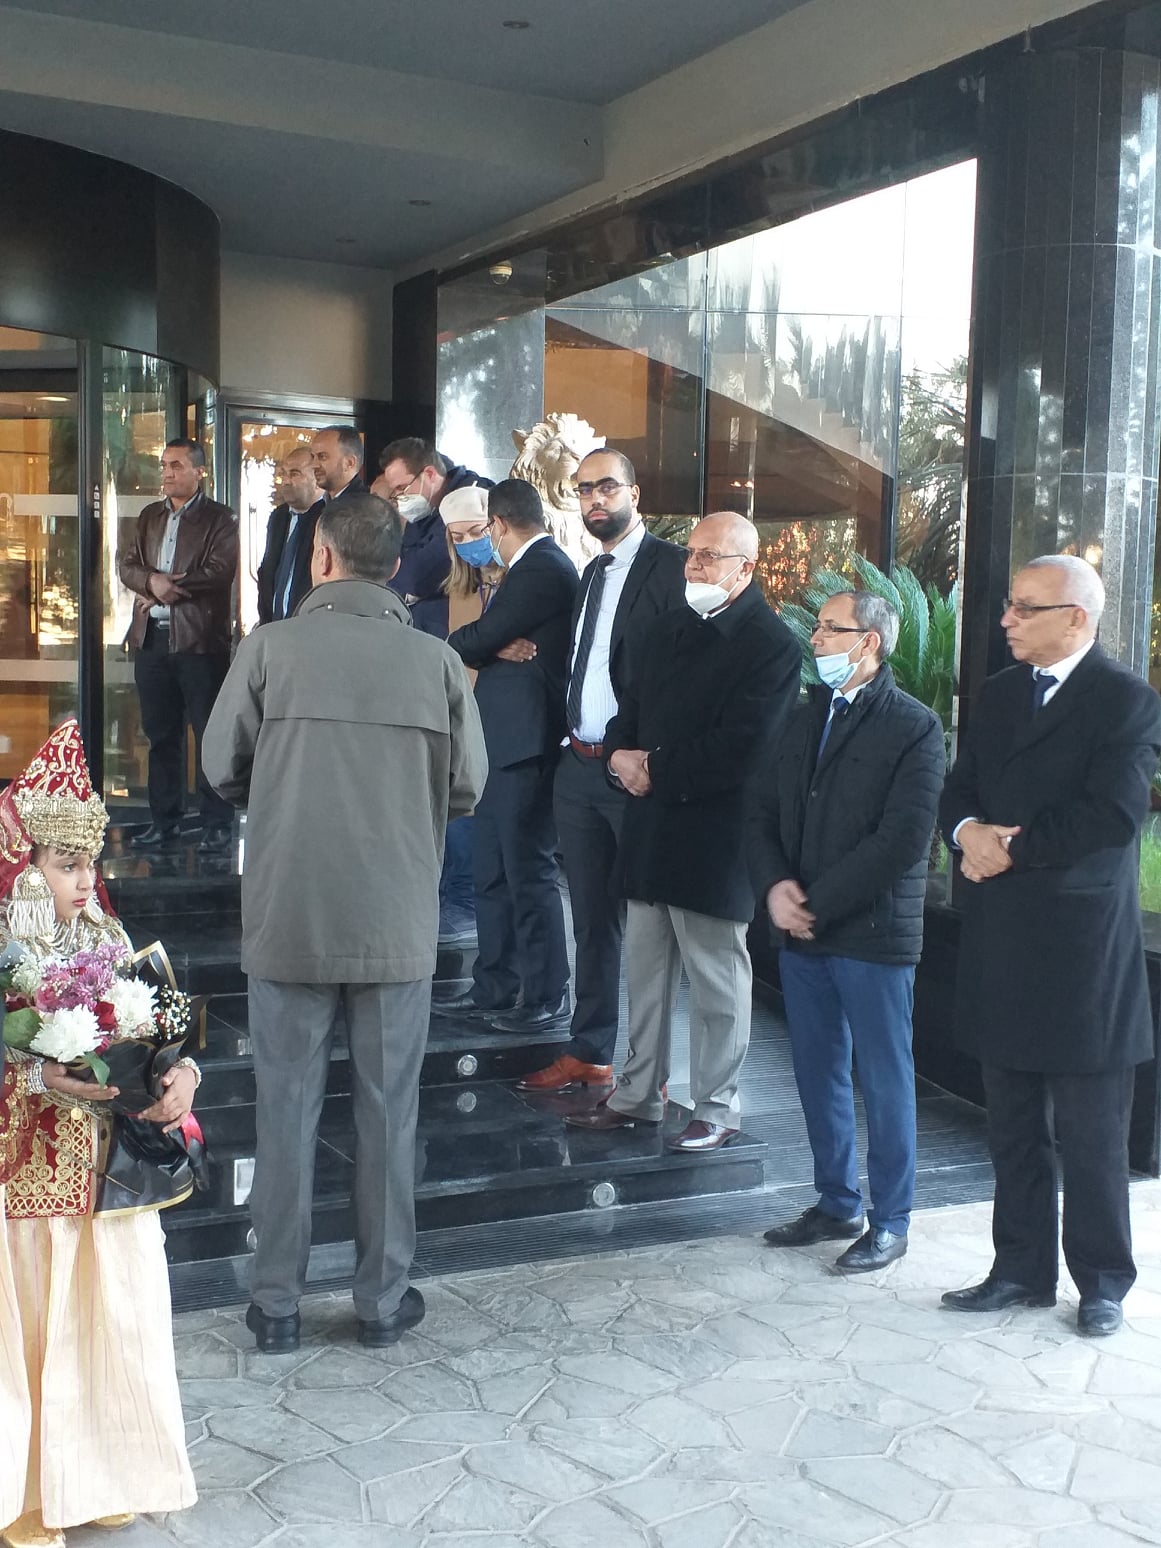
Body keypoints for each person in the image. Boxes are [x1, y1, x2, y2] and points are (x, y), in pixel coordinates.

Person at [203, 493, 486, 1353]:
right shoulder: (436, 661)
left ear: (320, 557)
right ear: (395, 567)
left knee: (284, 1110)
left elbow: (221, 767)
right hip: (395, 921)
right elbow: (467, 786)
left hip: (290, 914)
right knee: (388, 1115)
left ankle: (276, 1306)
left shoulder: (270, 648)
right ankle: (380, 1303)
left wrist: (284, 791)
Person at [938, 555, 1161, 1336]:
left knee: (1092, 1131)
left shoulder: (1124, 700)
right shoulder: (1001, 694)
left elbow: (1112, 816)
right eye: (1008, 604)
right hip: (1001, 937)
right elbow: (957, 786)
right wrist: (965, 833)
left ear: (1075, 618)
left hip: (1080, 951)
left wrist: (1006, 850)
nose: (1006, 619)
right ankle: (1018, 1269)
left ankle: (1101, 1282)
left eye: (1024, 608)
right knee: (1010, 1123)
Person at [0, 720, 198, 1547]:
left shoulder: (108, 939)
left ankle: (97, 1476)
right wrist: (36, 1076)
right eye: (66, 862)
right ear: (25, 863)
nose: (87, 879)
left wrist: (183, 1076)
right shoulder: (6, 948)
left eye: (91, 861)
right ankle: (23, 1494)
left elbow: (163, 1039)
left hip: (105, 1180)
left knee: (107, 1321)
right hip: (23, 1186)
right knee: (31, 1326)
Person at [567, 513, 800, 1151]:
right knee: (644, 976)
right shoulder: (664, 628)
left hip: (714, 834)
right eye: (691, 553)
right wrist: (618, 758)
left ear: (745, 569)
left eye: (708, 557)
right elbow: (628, 708)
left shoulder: (772, 645)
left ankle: (716, 1106)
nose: (693, 566)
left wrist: (654, 771)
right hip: (649, 826)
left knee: (717, 982)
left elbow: (745, 747)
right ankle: (638, 1094)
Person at [755, 591, 945, 1273]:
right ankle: (837, 1202)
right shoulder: (802, 715)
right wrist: (775, 885)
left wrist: (814, 902)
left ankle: (890, 1220)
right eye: (817, 628)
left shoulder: (915, 726)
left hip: (870, 934)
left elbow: (901, 840)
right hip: (802, 930)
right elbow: (761, 810)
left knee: (884, 1079)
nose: (815, 639)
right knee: (817, 1072)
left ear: (868, 642)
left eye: (830, 629)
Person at [515, 448, 686, 1083]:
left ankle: (651, 1075)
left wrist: (653, 756)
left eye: (606, 487)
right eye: (584, 490)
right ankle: (591, 1052)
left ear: (635, 494)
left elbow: (686, 670)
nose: (594, 499)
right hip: (580, 766)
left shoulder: (671, 566)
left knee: (650, 931)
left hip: (636, 772)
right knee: (589, 922)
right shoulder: (591, 572)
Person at [442, 478, 577, 1029]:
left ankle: (546, 993)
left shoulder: (543, 567)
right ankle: (495, 986)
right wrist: (493, 642)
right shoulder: (527, 568)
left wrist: (488, 640)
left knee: (527, 873)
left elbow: (470, 639)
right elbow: (484, 639)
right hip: (503, 740)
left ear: (497, 523)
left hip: (528, 741)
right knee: (492, 874)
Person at [118, 437, 238, 853]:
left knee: (209, 736)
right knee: (160, 735)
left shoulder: (220, 519)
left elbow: (218, 572)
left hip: (200, 642)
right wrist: (151, 582)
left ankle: (216, 824)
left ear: (199, 472)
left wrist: (166, 591)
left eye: (176, 466)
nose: (167, 473)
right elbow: (126, 565)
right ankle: (164, 822)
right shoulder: (150, 516)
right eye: (164, 465)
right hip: (152, 640)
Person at [435, 485, 504, 950]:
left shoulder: (519, 579)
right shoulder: (461, 586)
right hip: (463, 709)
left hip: (500, 713)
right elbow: (461, 647)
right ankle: (455, 900)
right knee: (458, 807)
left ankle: (469, 906)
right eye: (457, 537)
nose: (468, 544)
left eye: (475, 531)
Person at [375, 437, 493, 638]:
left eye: (402, 488)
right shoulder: (424, 509)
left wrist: (406, 585)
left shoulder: (471, 499)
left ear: (429, 474)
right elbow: (399, 561)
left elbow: (419, 576)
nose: (398, 497)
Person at [256, 444, 325, 623]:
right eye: (283, 474)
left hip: (311, 625)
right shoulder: (278, 517)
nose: (285, 481)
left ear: (317, 478)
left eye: (295, 474)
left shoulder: (328, 518)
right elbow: (268, 572)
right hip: (274, 625)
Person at [310, 424, 366, 507]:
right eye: (313, 457)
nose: (314, 465)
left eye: (322, 457)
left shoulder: (366, 508)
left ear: (349, 463)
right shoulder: (317, 508)